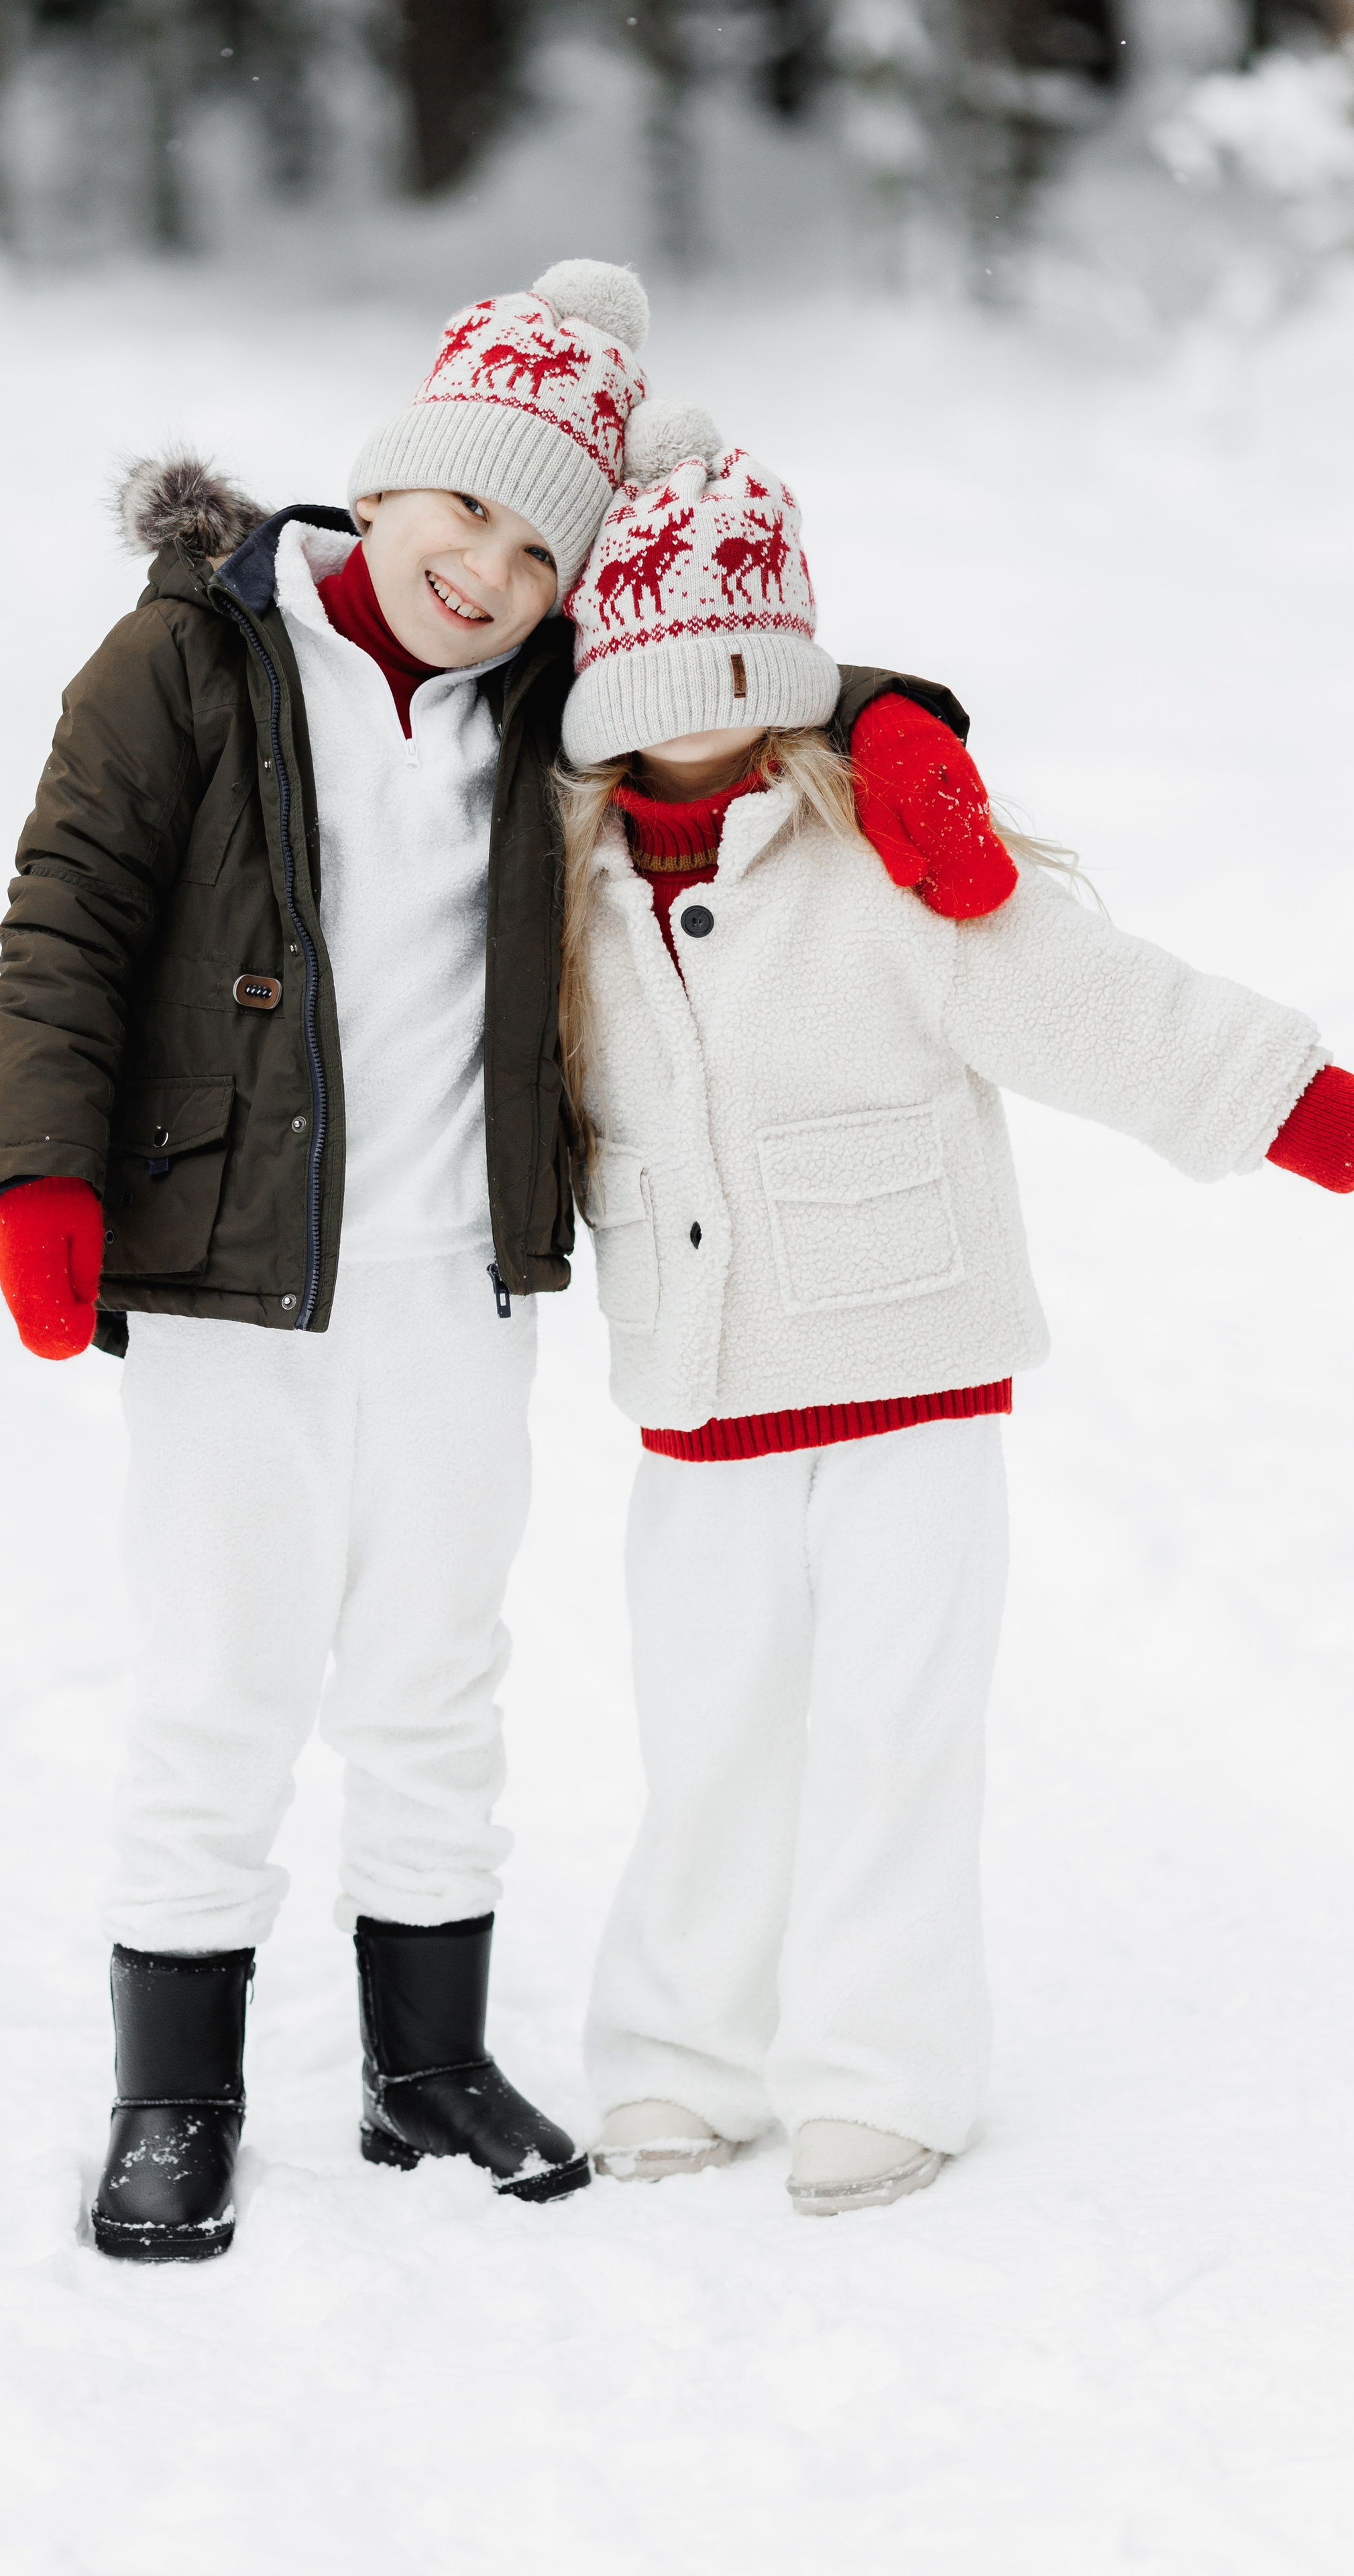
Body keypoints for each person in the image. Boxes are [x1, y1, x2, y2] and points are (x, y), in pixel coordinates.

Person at [0, 266, 1003, 2261]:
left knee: (439, 1673)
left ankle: (420, 2065)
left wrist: (902, 729)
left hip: (461, 1274)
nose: (493, 571)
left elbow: (751, 672)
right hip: (227, 1276)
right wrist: (40, 1174)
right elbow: (67, 911)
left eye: (546, 550)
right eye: (471, 516)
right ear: (397, 485)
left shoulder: (548, 699)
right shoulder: (193, 653)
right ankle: (174, 2095)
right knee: (224, 1674)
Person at [551, 402, 1354, 2214]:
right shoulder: (558, 886)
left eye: (741, 664)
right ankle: (681, 2052)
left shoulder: (894, 857)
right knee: (710, 1733)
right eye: (658, 665)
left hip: (910, 1380)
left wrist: (1318, 1121)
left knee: (896, 1735)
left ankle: (883, 2071)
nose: (699, 705)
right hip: (697, 1403)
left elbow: (1103, 1004)